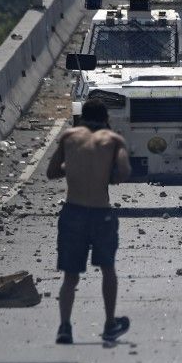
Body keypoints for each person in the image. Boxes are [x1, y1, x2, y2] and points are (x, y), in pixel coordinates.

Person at [46, 99, 133, 345]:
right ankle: (109, 324)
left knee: (70, 276)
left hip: (72, 212)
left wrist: (73, 167)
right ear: (106, 118)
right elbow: (124, 171)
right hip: (101, 214)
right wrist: (107, 174)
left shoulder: (69, 137)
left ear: (82, 117)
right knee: (108, 269)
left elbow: (52, 172)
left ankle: (64, 327)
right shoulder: (114, 140)